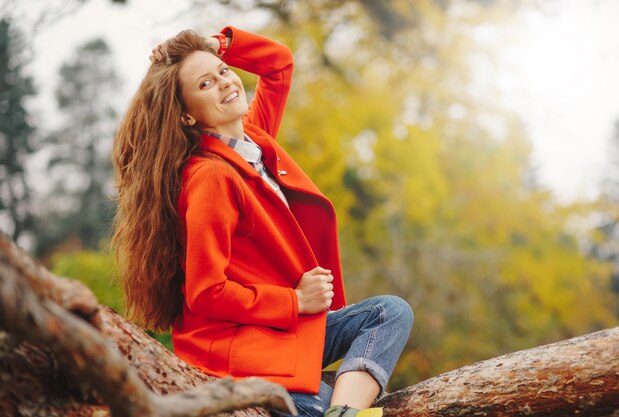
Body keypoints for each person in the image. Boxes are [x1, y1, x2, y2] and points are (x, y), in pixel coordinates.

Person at [111, 25, 413, 417]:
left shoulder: (254, 139)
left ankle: (344, 413)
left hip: (284, 333)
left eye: (222, 70)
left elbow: (278, 64)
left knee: (390, 311)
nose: (224, 83)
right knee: (313, 405)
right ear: (186, 114)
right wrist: (295, 300)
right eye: (205, 84)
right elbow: (206, 292)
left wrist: (214, 44)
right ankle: (334, 409)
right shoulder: (210, 177)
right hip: (243, 350)